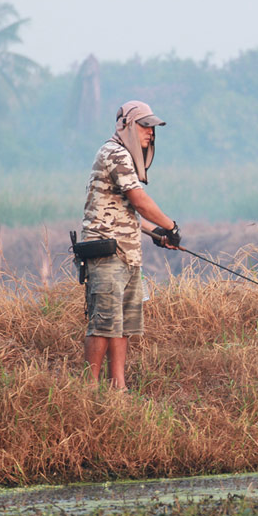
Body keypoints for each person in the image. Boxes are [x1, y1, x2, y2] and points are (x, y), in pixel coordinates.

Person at [80, 100, 181, 389]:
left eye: (153, 127)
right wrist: (172, 225)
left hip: (128, 254)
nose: (150, 133)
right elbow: (139, 200)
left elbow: (128, 213)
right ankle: (89, 389)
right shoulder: (114, 152)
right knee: (103, 322)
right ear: (126, 126)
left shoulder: (126, 157)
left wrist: (159, 234)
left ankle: (118, 388)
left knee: (123, 325)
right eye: (145, 126)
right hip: (106, 252)